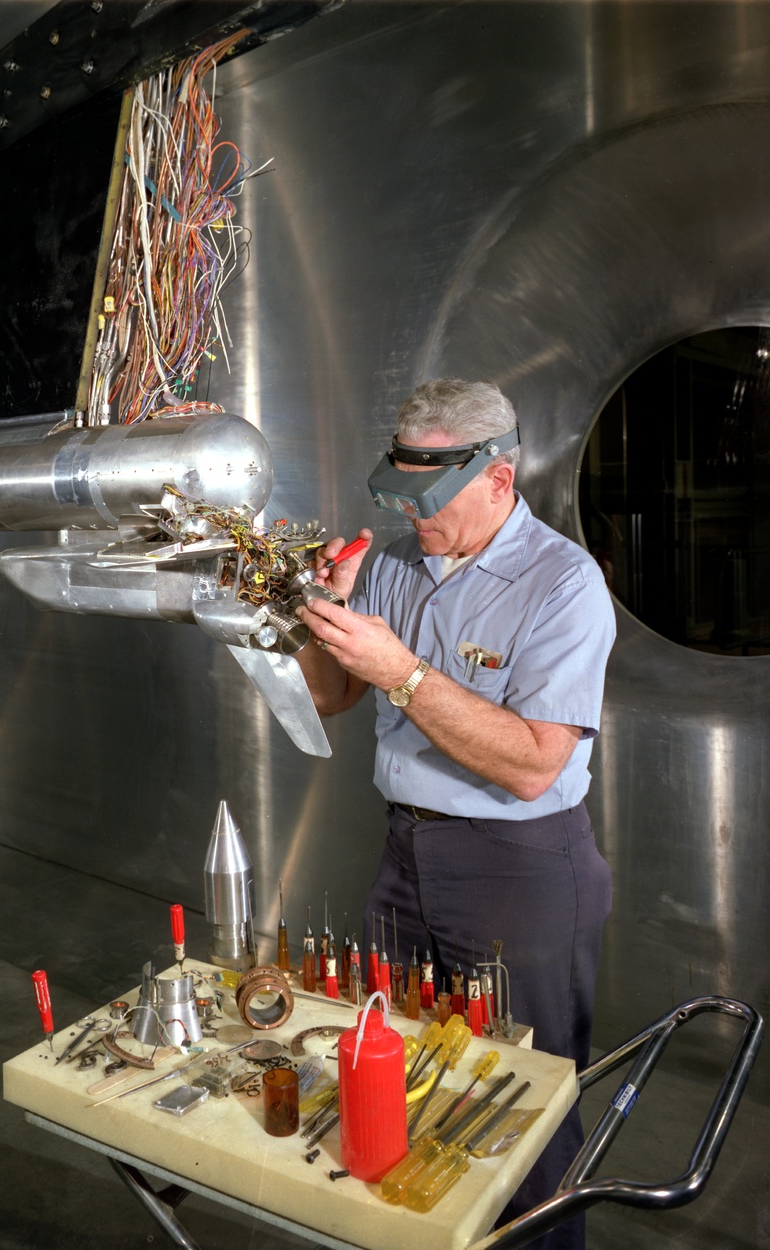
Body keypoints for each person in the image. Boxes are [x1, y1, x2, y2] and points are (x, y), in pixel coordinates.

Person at [296, 378, 615, 1250]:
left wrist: (401, 670)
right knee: (408, 1083)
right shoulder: (395, 564)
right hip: (406, 856)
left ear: (499, 480)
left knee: (525, 1112)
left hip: (520, 870)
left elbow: (533, 764)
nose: (409, 512)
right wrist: (311, 613)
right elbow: (328, 700)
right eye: (394, 489)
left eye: (427, 496)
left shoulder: (563, 583)